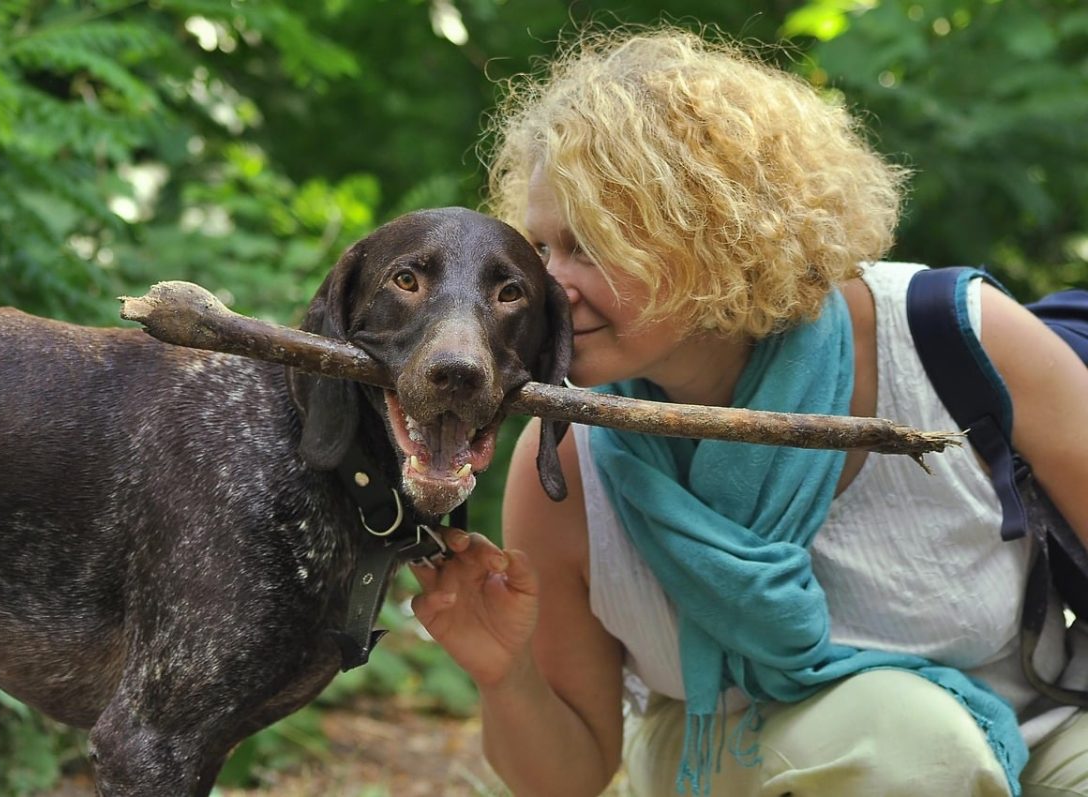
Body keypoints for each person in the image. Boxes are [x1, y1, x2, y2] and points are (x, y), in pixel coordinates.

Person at [409, 26, 1088, 797]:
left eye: (591, 246)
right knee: (910, 743)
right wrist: (506, 676)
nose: (548, 283)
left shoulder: (957, 338)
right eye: (539, 245)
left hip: (1041, 723)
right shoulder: (566, 458)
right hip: (734, 760)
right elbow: (569, 777)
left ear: (715, 236)